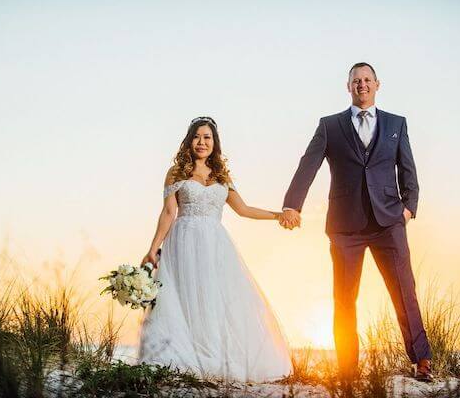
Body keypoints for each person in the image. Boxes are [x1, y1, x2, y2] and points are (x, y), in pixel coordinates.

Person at [279, 63, 433, 382]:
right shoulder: (330, 126)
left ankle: (422, 361)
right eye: (355, 81)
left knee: (405, 292)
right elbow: (308, 165)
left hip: (389, 223)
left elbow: (408, 171)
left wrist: (408, 210)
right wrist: (292, 205)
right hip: (345, 227)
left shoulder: (396, 124)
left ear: (377, 84)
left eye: (367, 80)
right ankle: (348, 369)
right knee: (345, 298)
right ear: (347, 87)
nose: (361, 85)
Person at [138, 116, 292, 382]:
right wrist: (153, 249)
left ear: (214, 143)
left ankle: (216, 359)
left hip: (215, 243)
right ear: (189, 140)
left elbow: (243, 210)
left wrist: (277, 215)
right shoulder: (176, 172)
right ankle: (181, 360)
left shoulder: (222, 175)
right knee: (185, 295)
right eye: (197, 136)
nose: (202, 142)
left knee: (215, 296)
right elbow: (168, 212)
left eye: (207, 137)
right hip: (183, 241)